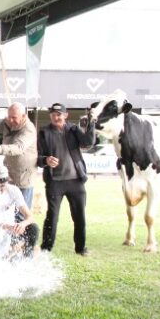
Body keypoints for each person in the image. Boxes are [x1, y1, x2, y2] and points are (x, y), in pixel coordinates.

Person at [37, 102, 96, 256]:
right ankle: (46, 248)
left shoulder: (74, 129)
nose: (56, 117)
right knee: (52, 217)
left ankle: (81, 248)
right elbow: (37, 157)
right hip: (54, 182)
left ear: (65, 115)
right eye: (53, 114)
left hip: (76, 181)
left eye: (59, 114)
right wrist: (46, 160)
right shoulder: (44, 132)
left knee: (79, 217)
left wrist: (91, 124)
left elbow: (87, 142)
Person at [0, 102, 38, 208]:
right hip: (8, 176)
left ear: (24, 116)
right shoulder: (8, 123)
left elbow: (18, 148)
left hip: (23, 179)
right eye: (8, 117)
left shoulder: (29, 129)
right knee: (7, 211)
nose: (10, 120)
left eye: (14, 117)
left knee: (22, 214)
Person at [0, 165, 39, 259]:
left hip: (11, 230)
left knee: (33, 229)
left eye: (4, 183)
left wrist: (22, 224)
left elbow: (30, 216)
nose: (2, 187)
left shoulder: (13, 190)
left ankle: (27, 260)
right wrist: (7, 226)